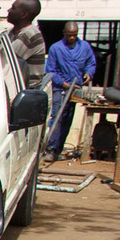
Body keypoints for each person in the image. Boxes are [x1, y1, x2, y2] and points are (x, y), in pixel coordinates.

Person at [44, 21, 96, 161]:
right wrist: (63, 83)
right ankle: (50, 149)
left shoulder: (85, 47)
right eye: (69, 35)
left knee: (67, 119)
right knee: (58, 117)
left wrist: (88, 74)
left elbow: (91, 63)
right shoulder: (56, 48)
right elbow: (51, 71)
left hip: (76, 89)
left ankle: (58, 149)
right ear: (64, 33)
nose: (72, 38)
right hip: (61, 89)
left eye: (74, 35)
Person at [6, 0, 46, 86]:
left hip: (28, 90)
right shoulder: (11, 32)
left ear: (23, 15)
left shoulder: (29, 34)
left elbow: (5, 59)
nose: (9, 10)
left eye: (13, 8)